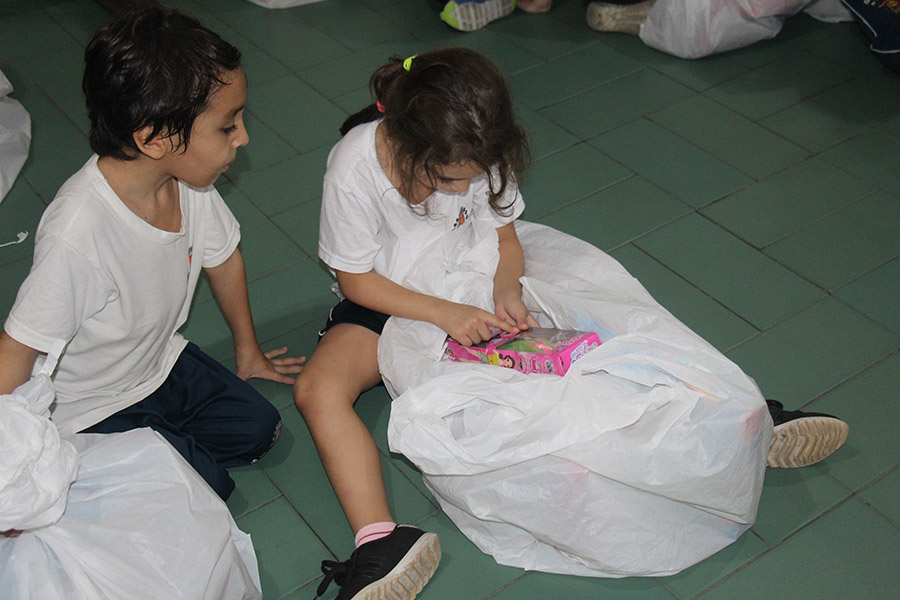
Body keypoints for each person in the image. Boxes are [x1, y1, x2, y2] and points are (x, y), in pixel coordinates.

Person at [0, 5, 305, 533]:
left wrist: (249, 350)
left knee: (260, 430)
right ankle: (96, 457)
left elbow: (223, 258)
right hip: (91, 405)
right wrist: (8, 477)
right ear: (154, 139)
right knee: (207, 486)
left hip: (160, 364)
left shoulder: (190, 183)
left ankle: (149, 452)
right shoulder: (78, 232)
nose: (242, 138)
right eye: (227, 126)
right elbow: (14, 351)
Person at [295, 47, 536, 600]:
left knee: (548, 364)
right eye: (448, 179)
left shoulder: (479, 145)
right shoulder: (354, 166)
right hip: (389, 298)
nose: (461, 190)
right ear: (407, 143)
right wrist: (442, 313)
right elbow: (356, 281)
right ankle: (380, 542)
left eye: (471, 179)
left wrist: (507, 288)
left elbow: (505, 240)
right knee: (316, 390)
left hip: (471, 278)